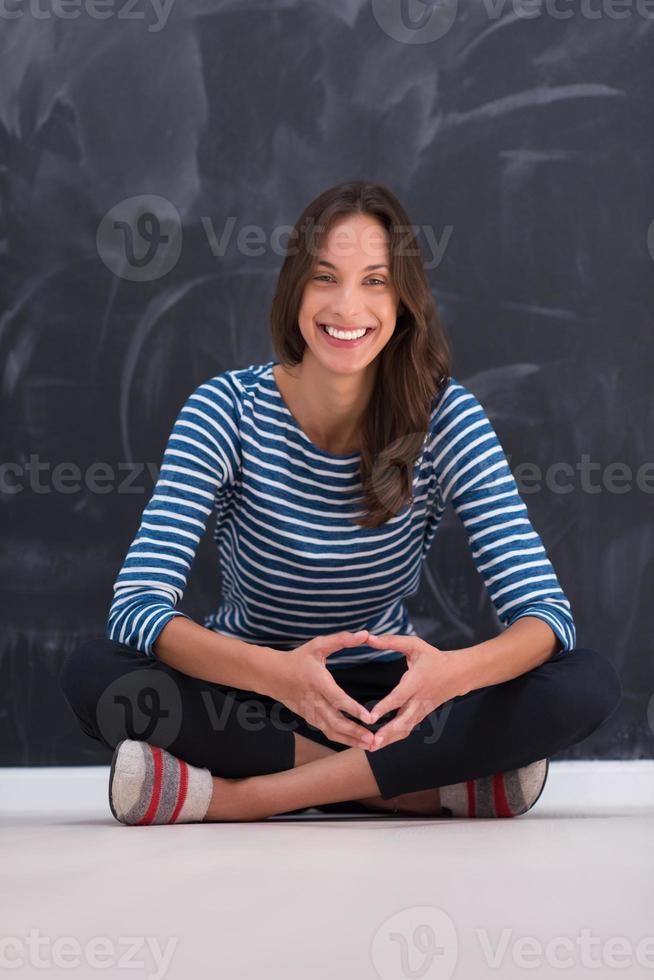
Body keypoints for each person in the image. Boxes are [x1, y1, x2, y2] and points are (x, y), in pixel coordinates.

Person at [59, 181, 622, 825]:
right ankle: (420, 789)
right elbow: (136, 609)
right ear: (295, 288)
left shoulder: (447, 419)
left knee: (584, 683)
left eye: (375, 281)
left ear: (403, 300)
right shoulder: (223, 411)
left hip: (392, 700)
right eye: (326, 276)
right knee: (95, 674)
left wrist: (451, 676)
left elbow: (547, 618)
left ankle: (239, 798)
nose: (347, 305)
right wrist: (278, 675)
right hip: (248, 691)